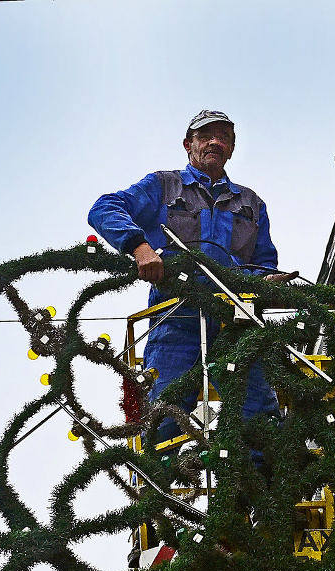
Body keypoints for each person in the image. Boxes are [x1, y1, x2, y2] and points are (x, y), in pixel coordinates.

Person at [88, 110, 295, 442]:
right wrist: (140, 246)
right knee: (164, 417)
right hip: (176, 318)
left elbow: (263, 261)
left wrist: (264, 283)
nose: (214, 142)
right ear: (188, 144)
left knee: (259, 421)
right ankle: (161, 489)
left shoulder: (251, 203)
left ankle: (257, 487)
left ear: (231, 148)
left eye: (223, 137)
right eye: (205, 136)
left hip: (237, 324)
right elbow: (104, 208)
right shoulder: (164, 186)